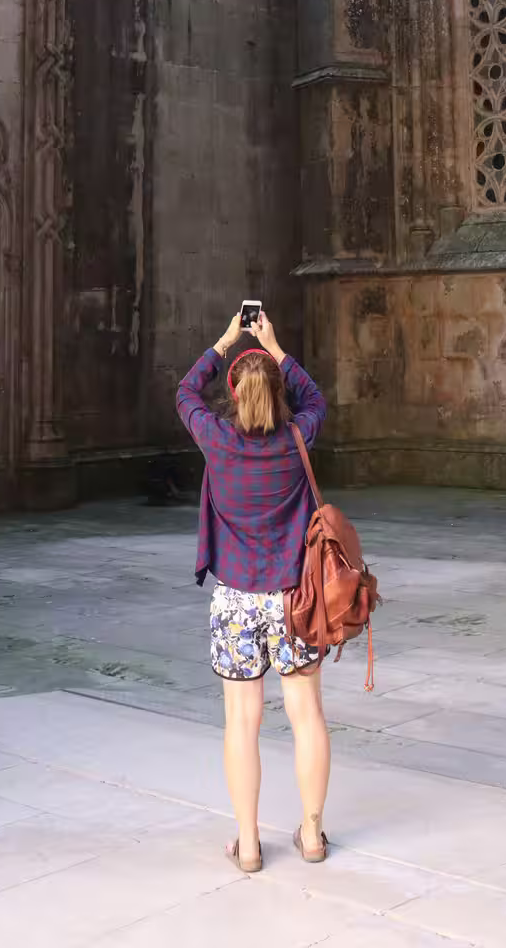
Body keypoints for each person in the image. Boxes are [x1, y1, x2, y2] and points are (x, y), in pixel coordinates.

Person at [176, 308, 331, 874]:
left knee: (242, 722)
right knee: (307, 715)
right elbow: (316, 398)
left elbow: (186, 391)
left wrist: (225, 341)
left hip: (237, 598)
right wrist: (276, 346)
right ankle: (311, 835)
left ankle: (247, 843)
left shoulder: (217, 439)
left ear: (236, 395)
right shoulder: (298, 438)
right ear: (277, 392)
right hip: (295, 598)